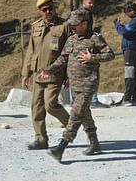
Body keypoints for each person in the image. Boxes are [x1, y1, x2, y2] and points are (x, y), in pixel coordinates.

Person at [40, 8, 115, 162]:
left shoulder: (95, 38)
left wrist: (92, 57)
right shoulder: (71, 39)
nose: (72, 27)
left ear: (85, 24)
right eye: (71, 24)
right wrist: (49, 69)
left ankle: (61, 147)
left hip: (88, 84)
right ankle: (95, 144)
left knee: (75, 115)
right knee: (84, 113)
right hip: (75, 85)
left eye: (75, 24)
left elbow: (110, 54)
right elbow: (62, 59)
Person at [22, 0, 71, 150]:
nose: (49, 12)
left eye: (51, 8)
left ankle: (71, 125)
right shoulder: (36, 26)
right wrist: (26, 73)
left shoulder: (64, 26)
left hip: (54, 73)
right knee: (36, 107)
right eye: (45, 9)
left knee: (50, 105)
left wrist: (68, 75)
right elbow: (30, 51)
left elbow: (69, 51)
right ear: (40, 11)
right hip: (37, 74)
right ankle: (41, 139)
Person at [114, 1, 136, 106]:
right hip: (134, 48)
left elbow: (125, 32)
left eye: (127, 13)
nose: (127, 16)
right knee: (135, 72)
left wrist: (118, 25)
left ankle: (128, 97)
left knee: (130, 72)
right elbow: (128, 30)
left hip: (131, 49)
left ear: (131, 11)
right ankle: (135, 96)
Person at [81, 0, 108, 108]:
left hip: (88, 44)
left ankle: (91, 99)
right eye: (89, 3)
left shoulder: (88, 14)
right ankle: (92, 100)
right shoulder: (81, 14)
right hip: (83, 46)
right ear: (83, 3)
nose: (91, 5)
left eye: (92, 3)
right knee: (87, 73)